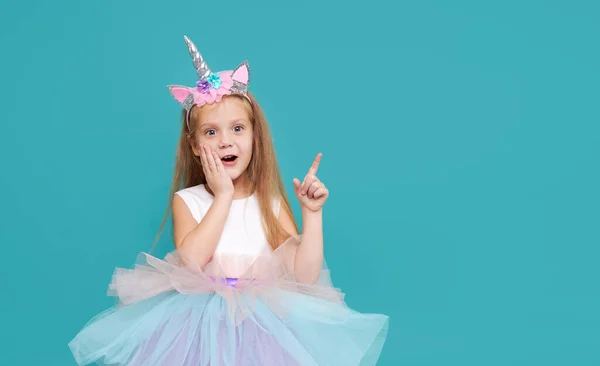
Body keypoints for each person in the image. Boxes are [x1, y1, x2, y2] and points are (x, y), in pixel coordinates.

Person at [68, 35, 389, 365]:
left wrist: (312, 214)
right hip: (199, 329)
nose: (225, 141)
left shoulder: (270, 203)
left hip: (267, 332)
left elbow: (304, 277)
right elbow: (192, 261)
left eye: (237, 129)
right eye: (211, 132)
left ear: (254, 135)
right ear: (194, 146)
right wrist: (222, 195)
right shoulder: (188, 201)